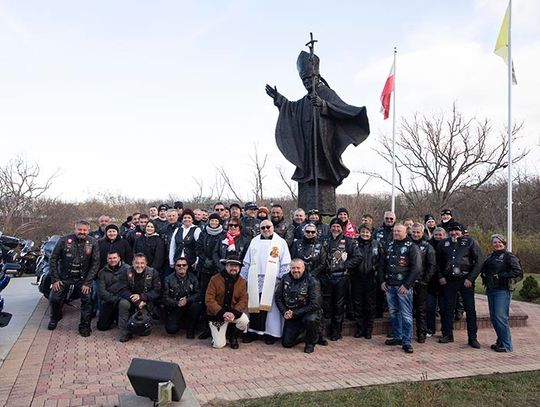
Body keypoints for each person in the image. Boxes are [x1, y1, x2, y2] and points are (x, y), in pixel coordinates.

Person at [265, 50, 369, 213]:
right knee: (308, 177)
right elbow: (293, 108)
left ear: (317, 77)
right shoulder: (306, 99)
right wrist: (279, 99)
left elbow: (342, 110)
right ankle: (307, 210)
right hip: (308, 148)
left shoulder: (327, 93)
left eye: (310, 78)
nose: (307, 82)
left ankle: (324, 212)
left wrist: (324, 105)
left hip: (324, 144)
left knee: (323, 175)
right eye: (304, 80)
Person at [241, 219, 291, 344]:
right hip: (254, 279)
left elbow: (285, 263)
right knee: (253, 305)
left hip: (273, 280)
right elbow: (246, 262)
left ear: (273, 227)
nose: (266, 229)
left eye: (268, 227)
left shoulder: (280, 242)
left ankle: (271, 333)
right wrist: (242, 278)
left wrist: (283, 280)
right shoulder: (254, 241)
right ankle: (252, 332)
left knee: (271, 308)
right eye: (263, 228)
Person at [48, 220, 100, 337]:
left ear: (88, 230)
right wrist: (55, 279)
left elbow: (95, 263)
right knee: (54, 298)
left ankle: (84, 326)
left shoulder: (93, 242)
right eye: (79, 229)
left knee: (87, 301)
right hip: (64, 277)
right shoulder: (64, 240)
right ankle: (55, 317)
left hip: (83, 278)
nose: (82, 232)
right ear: (75, 229)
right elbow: (53, 259)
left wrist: (88, 282)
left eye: (84, 230)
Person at [437, 222, 483, 348]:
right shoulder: (444, 243)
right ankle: (447, 334)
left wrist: (471, 278)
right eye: (451, 230)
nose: (454, 233)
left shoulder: (470, 242)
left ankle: (472, 338)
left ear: (462, 231)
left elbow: (479, 261)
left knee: (470, 310)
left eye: (456, 230)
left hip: (465, 281)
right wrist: (441, 276)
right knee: (447, 309)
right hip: (449, 281)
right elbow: (437, 262)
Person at [379, 223, 421, 354]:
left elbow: (417, 268)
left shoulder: (411, 247)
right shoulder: (390, 245)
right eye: (395, 231)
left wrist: (407, 285)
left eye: (399, 231)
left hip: (403, 287)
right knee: (394, 313)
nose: (396, 233)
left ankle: (407, 341)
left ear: (405, 232)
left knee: (406, 315)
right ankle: (397, 337)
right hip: (390, 285)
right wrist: (382, 281)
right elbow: (382, 265)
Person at [481, 234, 523, 352]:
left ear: (504, 243)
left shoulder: (509, 256)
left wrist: (500, 276)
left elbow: (517, 271)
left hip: (503, 290)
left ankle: (507, 346)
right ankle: (500, 341)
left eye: (499, 242)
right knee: (494, 318)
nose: (497, 244)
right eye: (495, 242)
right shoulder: (490, 256)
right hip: (491, 289)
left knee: (501, 317)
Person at [321, 218, 361, 341]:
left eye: (338, 227)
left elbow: (358, 257)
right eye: (333, 226)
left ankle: (336, 331)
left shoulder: (349, 241)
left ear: (342, 228)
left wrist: (343, 265)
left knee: (339, 305)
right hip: (326, 277)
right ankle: (323, 331)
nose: (335, 229)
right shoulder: (324, 240)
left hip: (341, 277)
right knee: (326, 304)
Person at [274, 259, 322, 353]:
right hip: (292, 314)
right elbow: (278, 297)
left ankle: (310, 342)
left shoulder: (312, 280)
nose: (296, 270)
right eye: (293, 268)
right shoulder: (285, 278)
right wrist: (284, 311)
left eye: (298, 268)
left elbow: (315, 304)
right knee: (286, 343)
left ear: (303, 268)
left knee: (311, 320)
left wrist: (295, 313)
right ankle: (304, 333)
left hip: (308, 313)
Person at [205, 254, 249, 349]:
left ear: (239, 268)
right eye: (231, 265)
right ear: (226, 266)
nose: (234, 268)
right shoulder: (215, 279)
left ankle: (233, 336)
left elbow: (243, 300)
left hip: (233, 314)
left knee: (245, 321)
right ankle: (215, 334)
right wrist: (222, 313)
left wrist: (233, 313)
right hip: (217, 315)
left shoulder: (242, 281)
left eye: (236, 266)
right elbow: (209, 299)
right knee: (219, 345)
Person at [117, 253, 161, 342]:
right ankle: (125, 333)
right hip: (131, 300)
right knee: (123, 304)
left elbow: (157, 291)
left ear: (146, 263)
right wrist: (136, 301)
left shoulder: (153, 273)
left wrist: (142, 297)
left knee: (144, 332)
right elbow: (122, 289)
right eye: (137, 263)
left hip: (146, 302)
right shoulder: (126, 272)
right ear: (132, 263)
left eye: (142, 263)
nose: (139, 265)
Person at [195, 213, 226, 339]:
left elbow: (224, 251)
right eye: (212, 220)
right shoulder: (204, 233)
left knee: (218, 298)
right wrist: (205, 259)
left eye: (216, 220)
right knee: (205, 298)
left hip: (218, 269)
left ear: (219, 222)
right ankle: (207, 327)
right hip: (205, 269)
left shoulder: (223, 234)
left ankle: (218, 326)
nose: (213, 222)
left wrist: (216, 262)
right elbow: (198, 248)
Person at [351, 224, 383, 339]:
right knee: (358, 304)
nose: (365, 234)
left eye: (367, 232)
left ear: (371, 233)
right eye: (363, 232)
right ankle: (360, 329)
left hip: (371, 279)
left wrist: (375, 270)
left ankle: (369, 329)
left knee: (370, 305)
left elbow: (381, 261)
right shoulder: (354, 244)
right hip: (357, 278)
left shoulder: (377, 244)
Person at [163, 257, 203, 338]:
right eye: (179, 265)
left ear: (187, 266)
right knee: (171, 329)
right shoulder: (168, 279)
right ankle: (181, 323)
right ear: (175, 267)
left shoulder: (193, 277)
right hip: (175, 307)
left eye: (184, 265)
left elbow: (199, 294)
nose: (181, 267)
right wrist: (177, 303)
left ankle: (190, 329)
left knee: (197, 306)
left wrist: (187, 300)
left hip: (189, 305)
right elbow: (165, 297)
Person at [410, 223, 436, 343]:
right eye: (413, 232)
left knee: (420, 309)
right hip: (407, 282)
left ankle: (421, 333)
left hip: (421, 283)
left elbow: (431, 266)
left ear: (422, 233)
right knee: (407, 309)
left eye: (418, 232)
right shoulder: (407, 244)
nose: (415, 234)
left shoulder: (427, 246)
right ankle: (406, 331)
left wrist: (425, 281)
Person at [96, 251, 129, 331]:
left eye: (114, 258)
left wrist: (121, 299)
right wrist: (115, 299)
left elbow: (129, 286)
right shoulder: (102, 272)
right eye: (110, 258)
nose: (112, 260)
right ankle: (111, 316)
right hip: (109, 300)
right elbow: (101, 292)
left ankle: (117, 317)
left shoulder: (128, 269)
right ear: (107, 260)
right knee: (102, 327)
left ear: (119, 258)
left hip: (123, 300)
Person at [426, 227, 447, 336]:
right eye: (436, 235)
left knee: (444, 308)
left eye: (440, 235)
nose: (438, 237)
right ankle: (430, 329)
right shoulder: (428, 245)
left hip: (445, 282)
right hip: (431, 281)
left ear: (444, 235)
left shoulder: (448, 245)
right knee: (430, 307)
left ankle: (445, 330)